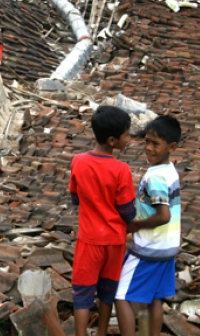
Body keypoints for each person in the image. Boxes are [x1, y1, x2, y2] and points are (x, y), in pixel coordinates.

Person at [69, 105, 138, 336]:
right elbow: (127, 210)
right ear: (111, 140)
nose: (128, 140)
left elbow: (75, 197)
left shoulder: (78, 161)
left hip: (89, 240)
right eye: (126, 135)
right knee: (108, 291)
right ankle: (101, 332)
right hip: (114, 242)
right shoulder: (121, 170)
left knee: (82, 293)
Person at [115, 115, 182, 336]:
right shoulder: (170, 170)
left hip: (149, 249)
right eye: (146, 142)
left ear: (171, 146)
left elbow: (163, 216)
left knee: (121, 295)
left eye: (155, 144)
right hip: (168, 247)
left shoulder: (156, 178)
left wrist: (134, 226)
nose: (148, 148)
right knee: (155, 298)